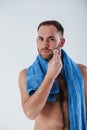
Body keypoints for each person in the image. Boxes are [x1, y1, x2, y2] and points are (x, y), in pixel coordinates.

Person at [19, 20, 87, 130]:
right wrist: (50, 76)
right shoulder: (26, 75)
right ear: (37, 41)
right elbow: (30, 113)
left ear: (62, 42)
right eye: (41, 39)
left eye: (51, 39)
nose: (45, 45)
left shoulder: (81, 72)